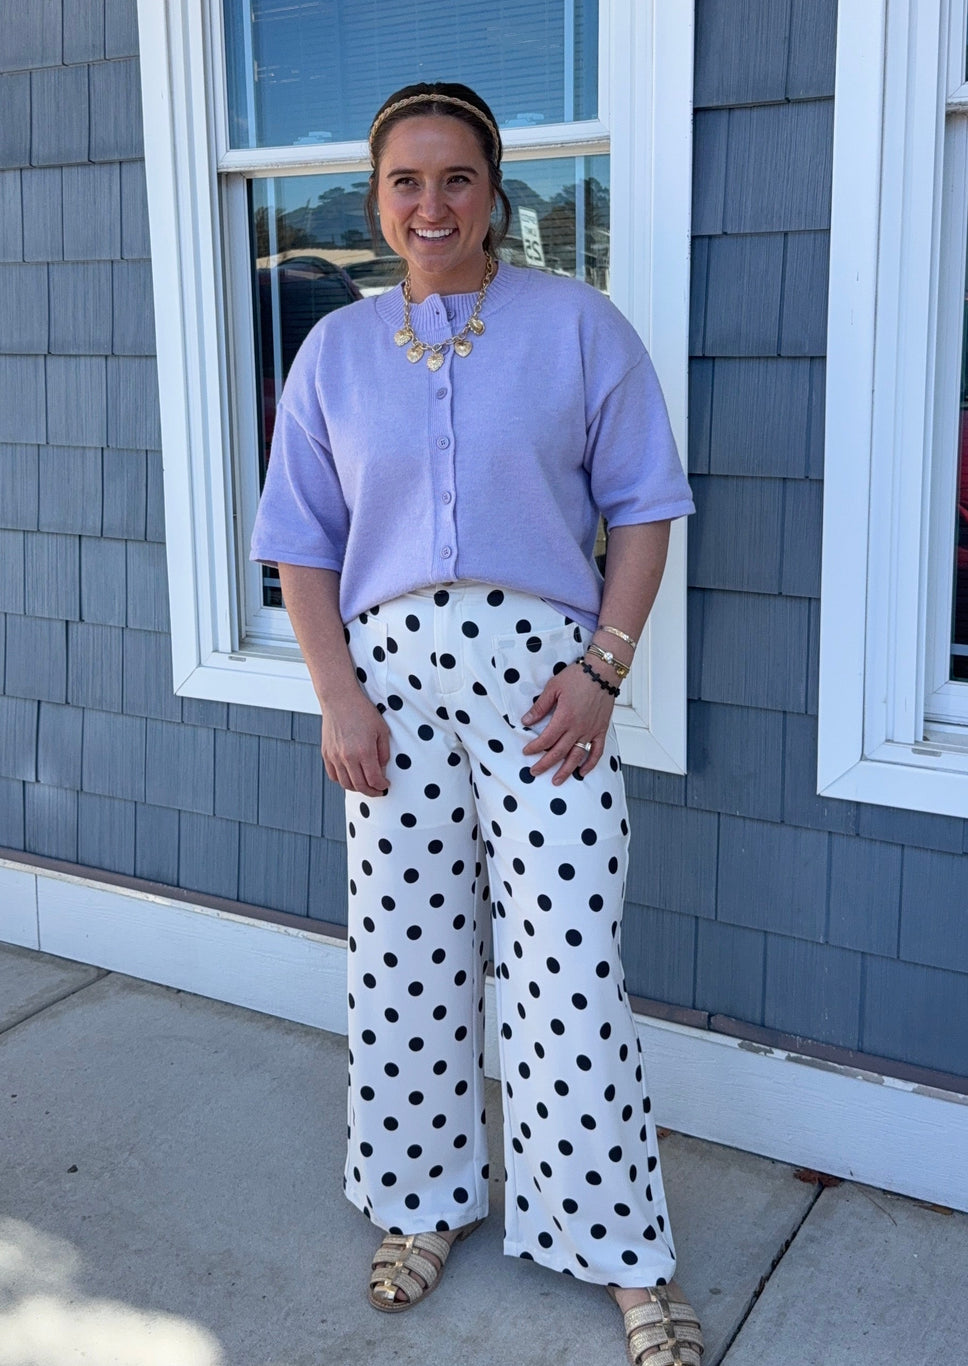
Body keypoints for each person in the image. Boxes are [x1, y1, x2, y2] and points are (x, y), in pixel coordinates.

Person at [251, 81, 701, 1366]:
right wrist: (337, 692)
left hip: (541, 687)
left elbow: (644, 505)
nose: (431, 204)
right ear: (378, 196)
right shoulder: (334, 352)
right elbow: (302, 544)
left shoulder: (577, 327)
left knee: (566, 963)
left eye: (456, 179)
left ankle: (623, 1253)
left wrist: (603, 671)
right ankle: (420, 1201)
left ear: (494, 190)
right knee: (401, 955)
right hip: (387, 690)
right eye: (406, 181)